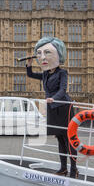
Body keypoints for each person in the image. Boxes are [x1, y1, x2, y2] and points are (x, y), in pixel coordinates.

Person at [26, 37, 78, 178]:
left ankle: (74, 169)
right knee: (60, 139)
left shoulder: (62, 73)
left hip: (63, 107)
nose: (43, 57)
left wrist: (53, 98)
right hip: (52, 107)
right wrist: (29, 64)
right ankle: (63, 168)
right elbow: (30, 74)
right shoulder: (45, 74)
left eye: (47, 53)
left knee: (69, 139)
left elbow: (63, 90)